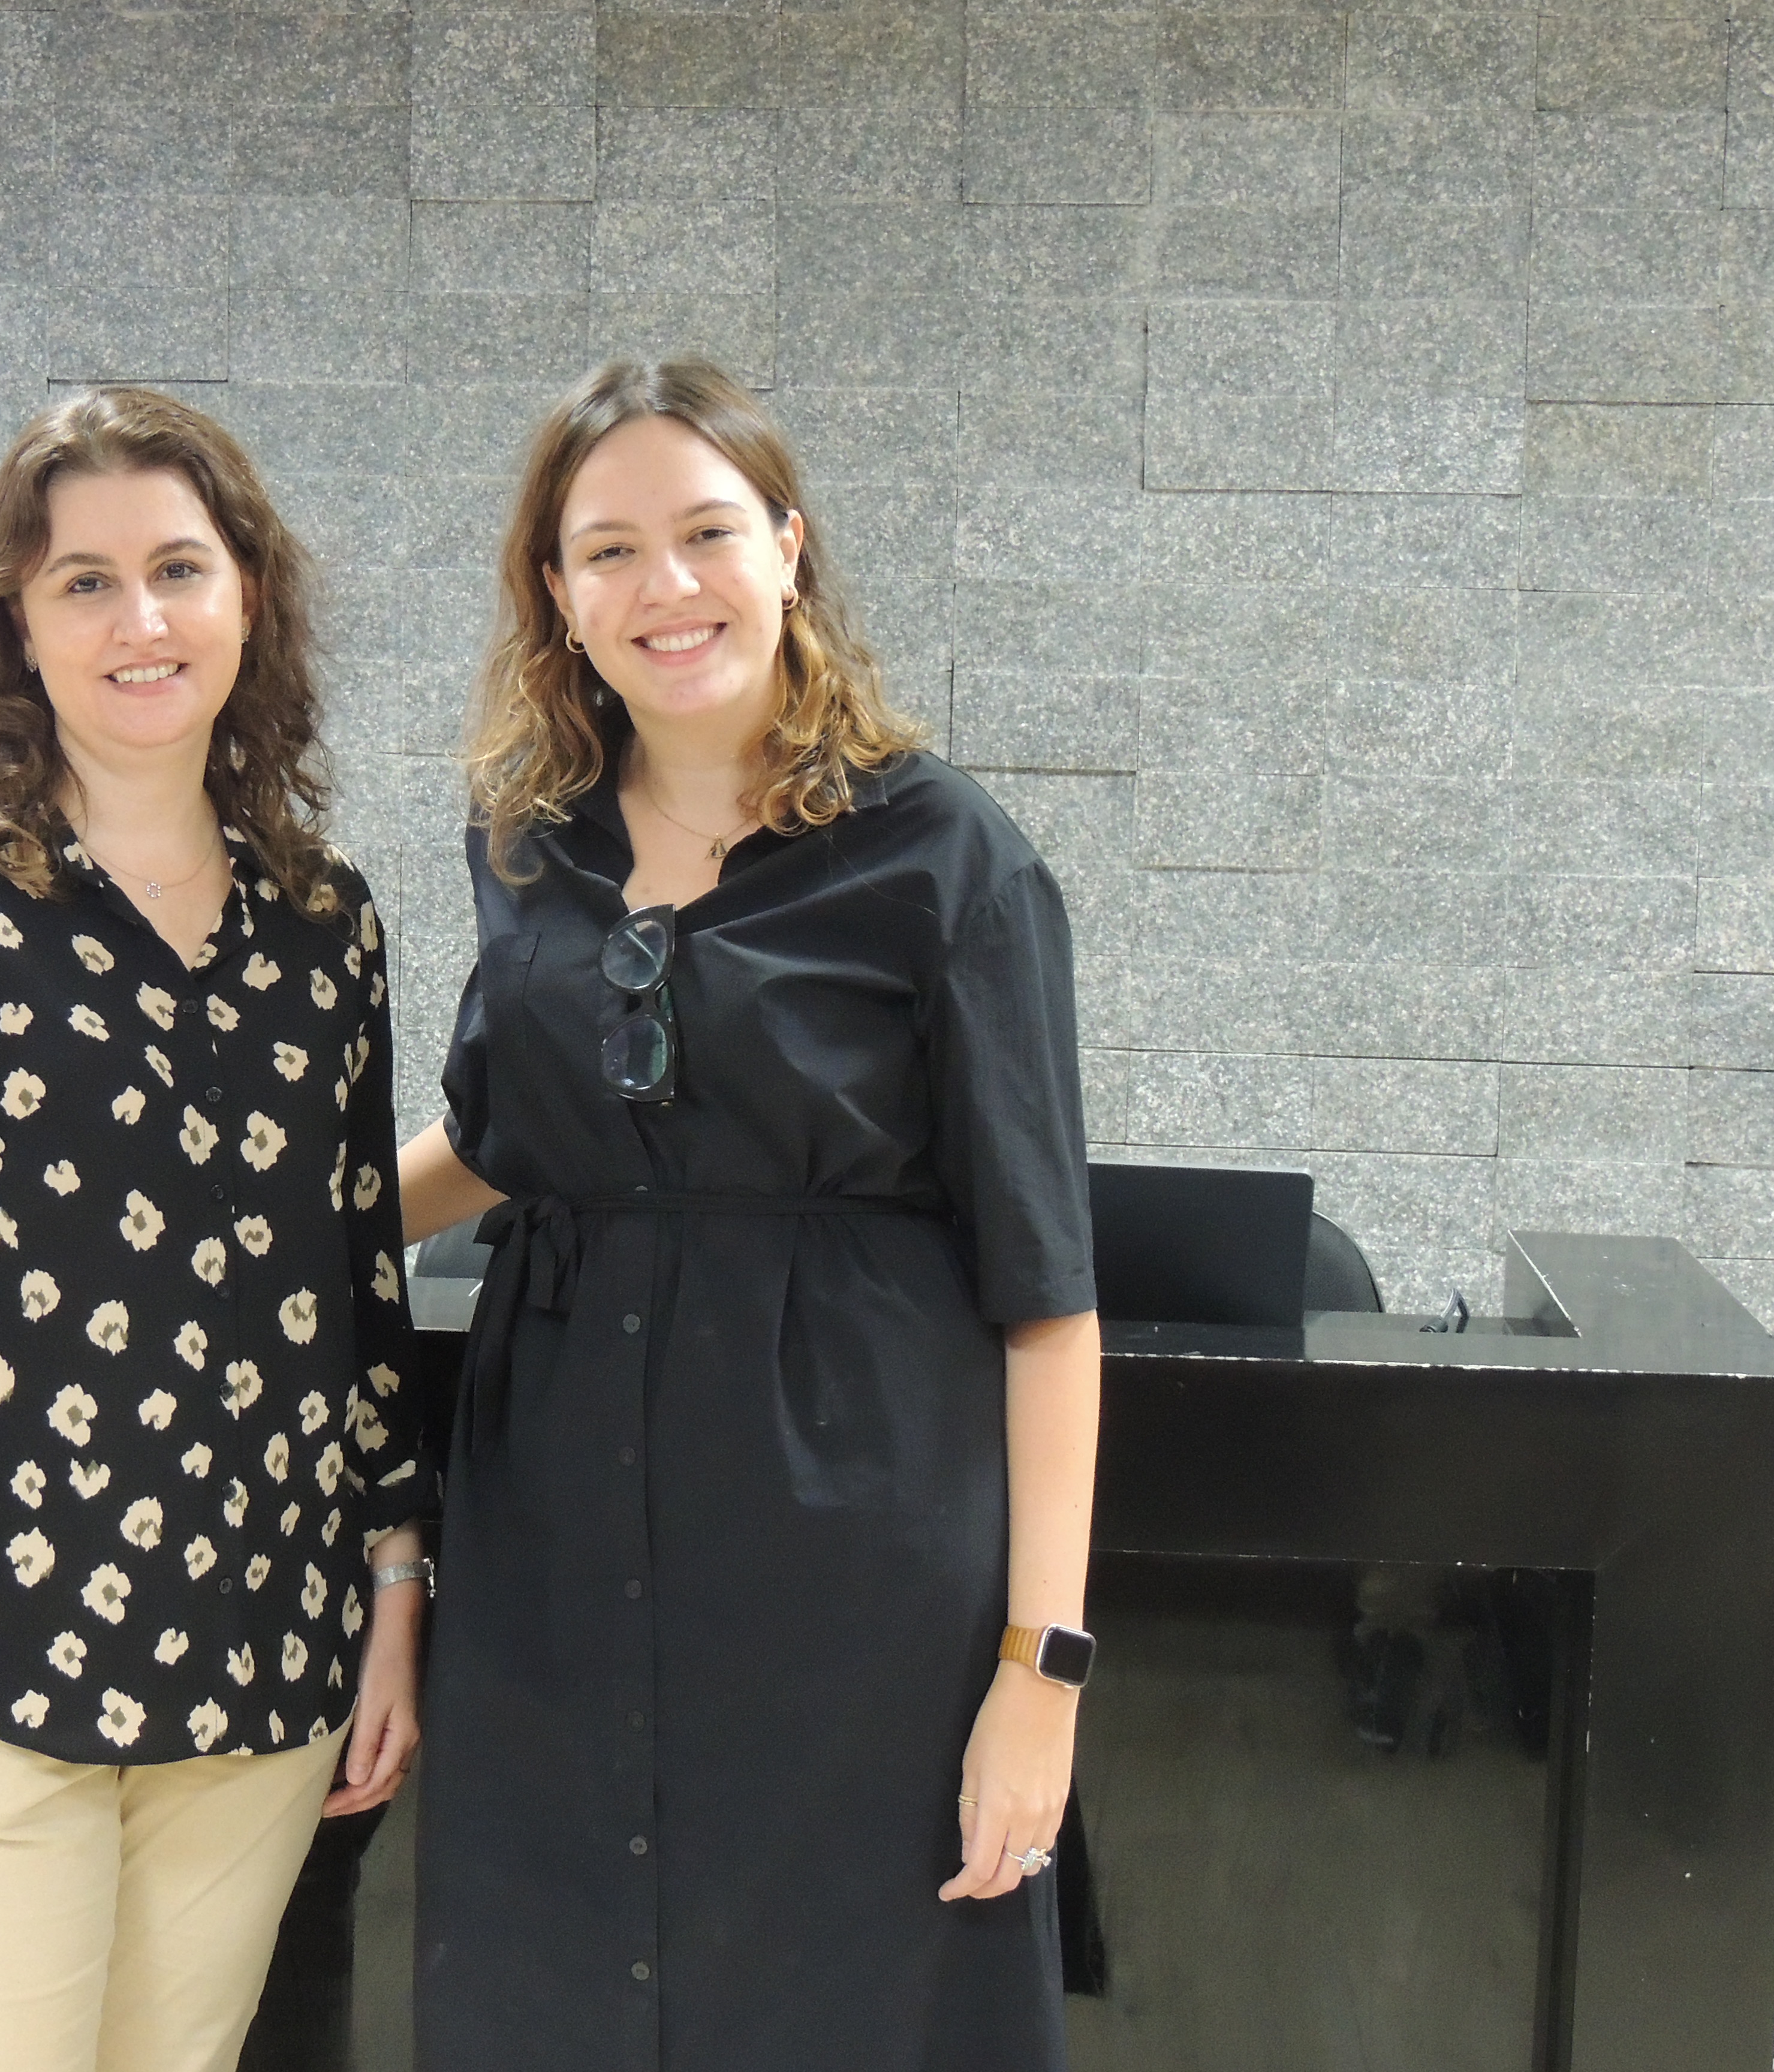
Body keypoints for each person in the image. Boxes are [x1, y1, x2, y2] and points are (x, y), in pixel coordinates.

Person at [396, 359, 1103, 2072]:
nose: (669, 585)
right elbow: (502, 1138)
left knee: (842, 2004)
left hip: (851, 1564)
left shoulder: (947, 855)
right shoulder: (527, 842)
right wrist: (254, 1235)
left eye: (708, 532)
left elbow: (1049, 1297)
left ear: (787, 550)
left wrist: (1041, 1671)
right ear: (558, 594)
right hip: (553, 1544)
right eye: (611, 550)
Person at [0, 387, 430, 2072]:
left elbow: (359, 1287)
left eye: (180, 570)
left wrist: (394, 1589)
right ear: (17, 624)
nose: (142, 622)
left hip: (262, 1665)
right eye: (85, 583)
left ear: (247, 598)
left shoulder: (328, 922)